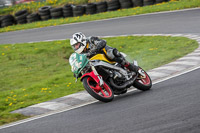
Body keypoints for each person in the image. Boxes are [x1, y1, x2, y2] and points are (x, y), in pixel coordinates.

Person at [70, 32, 139, 74]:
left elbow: (102, 42)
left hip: (104, 54)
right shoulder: (81, 54)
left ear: (82, 41)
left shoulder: (91, 40)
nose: (76, 47)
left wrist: (95, 49)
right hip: (96, 63)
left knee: (111, 54)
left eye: (77, 45)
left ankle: (130, 65)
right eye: (74, 46)